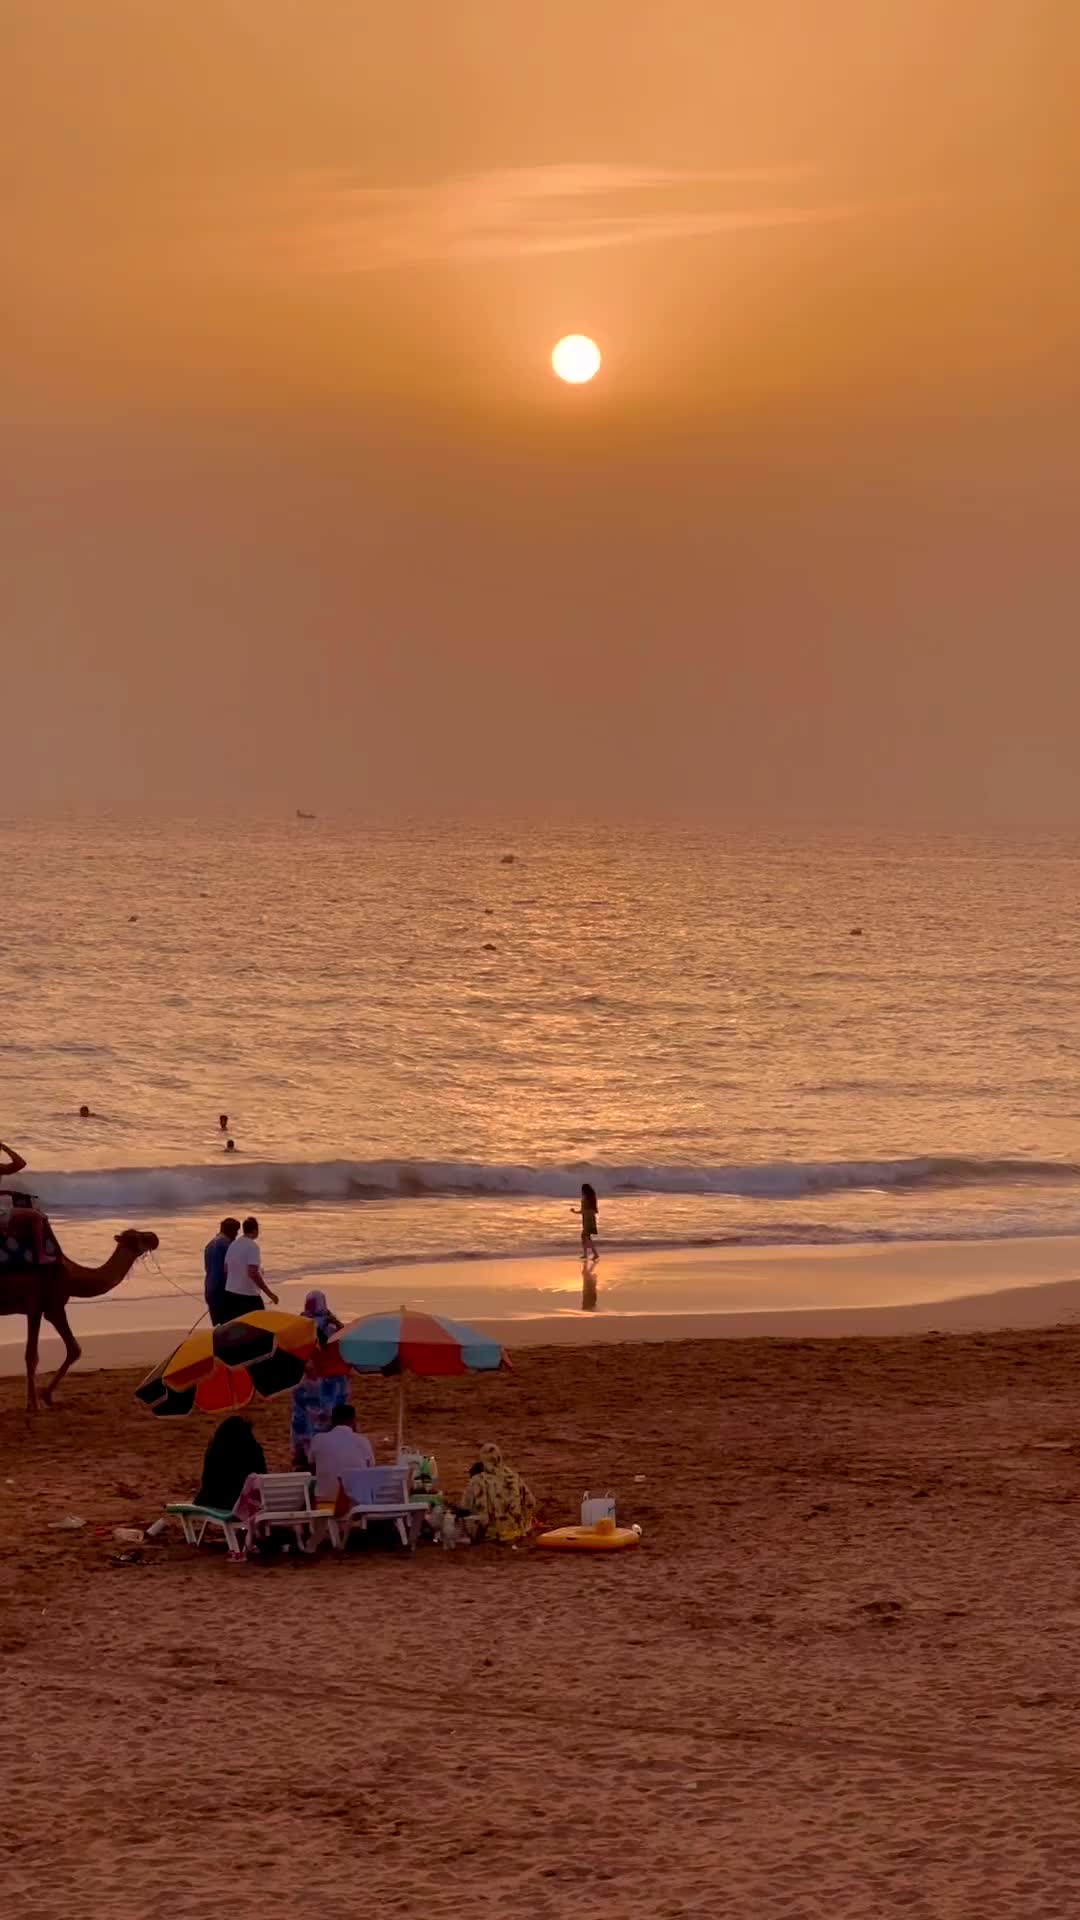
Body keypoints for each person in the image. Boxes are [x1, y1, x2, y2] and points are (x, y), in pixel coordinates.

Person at [290, 1289, 348, 1468]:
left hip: (307, 1382)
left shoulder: (300, 1325)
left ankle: (303, 1456)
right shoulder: (330, 1327)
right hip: (329, 1380)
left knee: (303, 1419)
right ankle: (326, 1455)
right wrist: (336, 1321)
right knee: (327, 1417)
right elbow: (346, 1340)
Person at [458, 1443, 536, 1543]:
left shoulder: (477, 1481)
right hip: (516, 1531)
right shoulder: (513, 1477)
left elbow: (465, 1508)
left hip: (490, 1535)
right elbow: (531, 1503)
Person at [194, 1414, 267, 1511]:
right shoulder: (253, 1450)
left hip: (218, 1504)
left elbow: (207, 1483)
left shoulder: (215, 1450)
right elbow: (262, 1475)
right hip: (250, 1506)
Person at [308, 1403, 375, 1501]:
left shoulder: (317, 1439)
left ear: (332, 1421)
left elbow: (312, 1469)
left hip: (325, 1502)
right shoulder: (362, 1440)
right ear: (353, 1420)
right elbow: (370, 1469)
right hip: (356, 1503)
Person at [220, 1215, 278, 1320]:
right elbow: (253, 1273)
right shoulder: (252, 1246)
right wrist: (270, 1294)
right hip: (247, 1295)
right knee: (260, 1325)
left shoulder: (233, 1244)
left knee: (238, 1328)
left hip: (230, 1293)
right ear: (255, 1230)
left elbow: (226, 1269)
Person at [203, 1216, 241, 1326]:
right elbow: (230, 1271)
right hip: (223, 1291)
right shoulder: (227, 1246)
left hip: (210, 1290)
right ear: (231, 1231)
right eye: (236, 1231)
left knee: (220, 1327)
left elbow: (208, 1269)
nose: (237, 1235)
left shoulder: (209, 1245)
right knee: (231, 1326)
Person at [573, 1182, 599, 1262]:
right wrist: (575, 1212)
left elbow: (583, 1210)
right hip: (590, 1219)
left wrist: (575, 1212)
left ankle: (595, 1254)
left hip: (587, 1219)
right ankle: (586, 1254)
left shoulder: (585, 1198)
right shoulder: (592, 1198)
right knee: (585, 1236)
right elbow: (594, 1211)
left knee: (586, 1236)